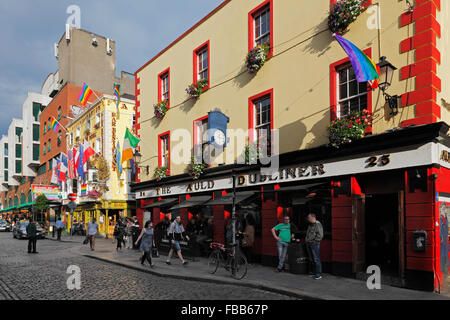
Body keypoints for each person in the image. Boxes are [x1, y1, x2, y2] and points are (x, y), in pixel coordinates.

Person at [305, 213, 324, 280]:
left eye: (308, 217)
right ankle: (314, 272)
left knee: (316, 259)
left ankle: (318, 274)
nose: (308, 219)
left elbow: (320, 235)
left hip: (314, 244)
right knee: (312, 259)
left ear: (313, 218)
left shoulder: (317, 224)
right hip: (309, 244)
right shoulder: (310, 225)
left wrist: (315, 242)